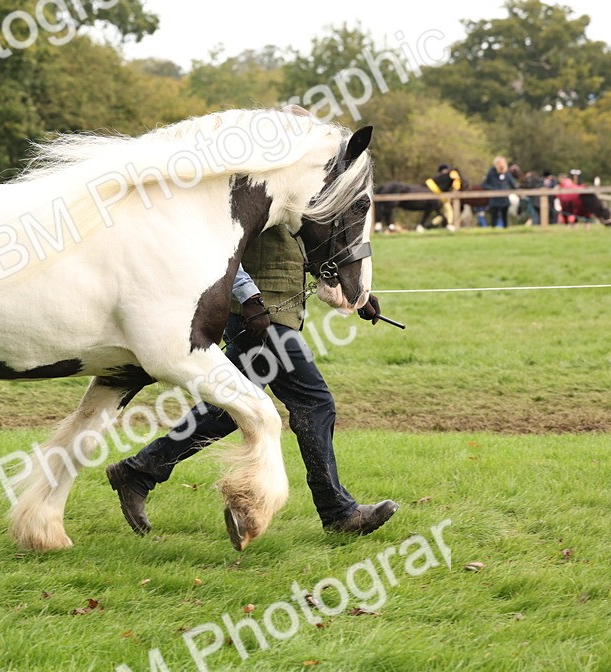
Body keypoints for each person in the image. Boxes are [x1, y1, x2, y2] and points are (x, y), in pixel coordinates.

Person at [105, 224, 399, 538]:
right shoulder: (255, 178)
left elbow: (310, 247)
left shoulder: (293, 184)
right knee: (314, 402)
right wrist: (248, 297)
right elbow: (226, 239)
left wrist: (353, 292)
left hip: (270, 314)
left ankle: (140, 471)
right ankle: (338, 513)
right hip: (262, 316)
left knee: (226, 412)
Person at [481, 156, 517, 228]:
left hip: (504, 198)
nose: (501, 165)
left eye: (502, 163)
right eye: (499, 163)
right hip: (494, 199)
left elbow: (513, 184)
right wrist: (493, 189)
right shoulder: (491, 173)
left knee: (505, 215)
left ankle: (505, 229)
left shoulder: (507, 173)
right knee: (494, 215)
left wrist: (519, 191)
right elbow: (484, 184)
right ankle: (493, 229)